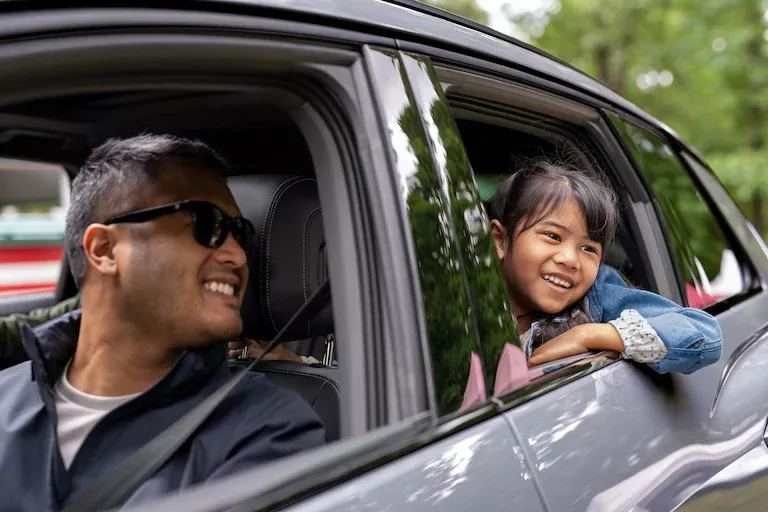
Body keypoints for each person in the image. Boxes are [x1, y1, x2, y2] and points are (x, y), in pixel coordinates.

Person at [0, 134, 325, 510]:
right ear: (105, 250)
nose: (237, 255)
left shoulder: (269, 429)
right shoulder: (6, 398)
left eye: (241, 234)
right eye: (207, 224)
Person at [488, 158, 722, 374]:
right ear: (500, 239)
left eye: (589, 249)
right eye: (553, 236)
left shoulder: (596, 296)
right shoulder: (466, 293)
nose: (570, 259)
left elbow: (704, 333)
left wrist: (589, 335)